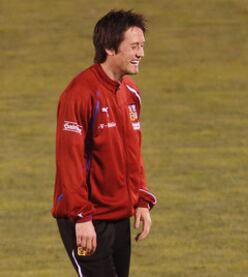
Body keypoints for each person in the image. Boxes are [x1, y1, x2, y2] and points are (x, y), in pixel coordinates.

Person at [51, 10, 157, 277]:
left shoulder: (130, 92)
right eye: (134, 47)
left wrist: (141, 198)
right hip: (87, 218)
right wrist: (81, 217)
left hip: (119, 215)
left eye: (142, 46)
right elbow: (69, 161)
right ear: (109, 47)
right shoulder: (80, 94)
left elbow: (133, 153)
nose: (141, 53)